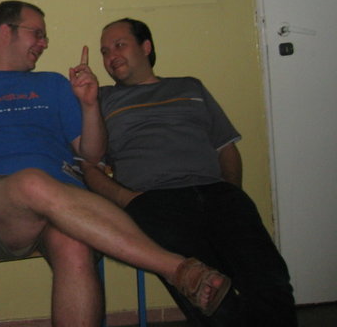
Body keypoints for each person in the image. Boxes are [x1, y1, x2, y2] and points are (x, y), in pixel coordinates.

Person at [0, 0, 232, 327]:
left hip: (67, 205)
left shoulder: (53, 85)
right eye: (37, 33)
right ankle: (177, 269)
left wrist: (89, 105)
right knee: (31, 182)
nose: (44, 43)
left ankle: (180, 271)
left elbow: (92, 156)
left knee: (75, 244)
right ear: (6, 31)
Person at [82, 17, 297, 326]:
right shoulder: (101, 99)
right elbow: (90, 167)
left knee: (268, 277)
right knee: (207, 290)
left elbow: (226, 148)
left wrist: (231, 192)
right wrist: (130, 200)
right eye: (105, 51)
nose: (110, 56)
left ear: (146, 47)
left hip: (217, 193)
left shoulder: (189, 87)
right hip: (155, 200)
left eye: (119, 45)